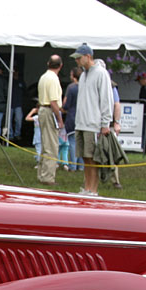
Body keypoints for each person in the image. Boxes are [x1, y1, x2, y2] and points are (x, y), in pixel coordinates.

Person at [71, 43, 113, 196]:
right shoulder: (82, 75)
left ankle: (93, 190)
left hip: (93, 124)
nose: (77, 61)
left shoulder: (101, 73)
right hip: (81, 123)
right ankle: (87, 187)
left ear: (88, 57)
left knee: (93, 158)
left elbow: (106, 99)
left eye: (79, 58)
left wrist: (105, 123)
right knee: (85, 158)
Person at [36, 55, 65, 185]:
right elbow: (53, 101)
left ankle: (42, 174)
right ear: (60, 66)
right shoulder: (53, 79)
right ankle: (48, 177)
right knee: (52, 146)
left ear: (48, 63)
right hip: (49, 111)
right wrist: (59, 118)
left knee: (45, 143)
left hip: (42, 109)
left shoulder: (44, 76)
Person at [62, 67, 81, 171]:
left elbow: (67, 104)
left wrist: (63, 108)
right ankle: (81, 166)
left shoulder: (71, 87)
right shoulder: (86, 86)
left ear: (74, 76)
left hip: (72, 116)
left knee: (73, 142)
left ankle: (73, 166)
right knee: (81, 143)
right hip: (84, 117)